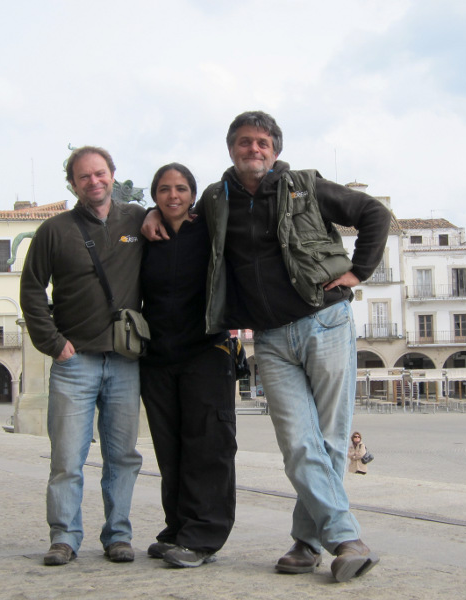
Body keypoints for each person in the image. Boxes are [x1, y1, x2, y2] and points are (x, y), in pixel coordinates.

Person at [143, 111, 391, 582]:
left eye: (261, 142)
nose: (252, 149)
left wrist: (360, 272)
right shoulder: (216, 198)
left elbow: (374, 214)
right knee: (298, 441)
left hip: (326, 321)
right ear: (230, 148)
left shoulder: (305, 185)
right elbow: (182, 217)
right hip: (271, 337)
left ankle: (308, 541)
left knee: (331, 439)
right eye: (242, 142)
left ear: (275, 148)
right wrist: (153, 212)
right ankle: (344, 539)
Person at [20, 146, 146, 566]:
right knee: (67, 458)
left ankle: (118, 535)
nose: (94, 182)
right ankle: (64, 536)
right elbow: (32, 289)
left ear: (113, 174)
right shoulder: (54, 231)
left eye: (100, 173)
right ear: (72, 184)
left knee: (123, 457)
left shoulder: (137, 219)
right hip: (75, 363)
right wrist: (53, 343)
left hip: (125, 361)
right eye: (84, 176)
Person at [139, 163, 237, 568]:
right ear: (154, 196)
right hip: (158, 358)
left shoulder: (210, 230)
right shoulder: (145, 236)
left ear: (193, 195)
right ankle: (178, 529)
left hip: (206, 353)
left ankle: (203, 537)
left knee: (208, 446)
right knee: (171, 448)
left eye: (181, 188)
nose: (173, 195)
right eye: (164, 189)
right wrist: (146, 218)